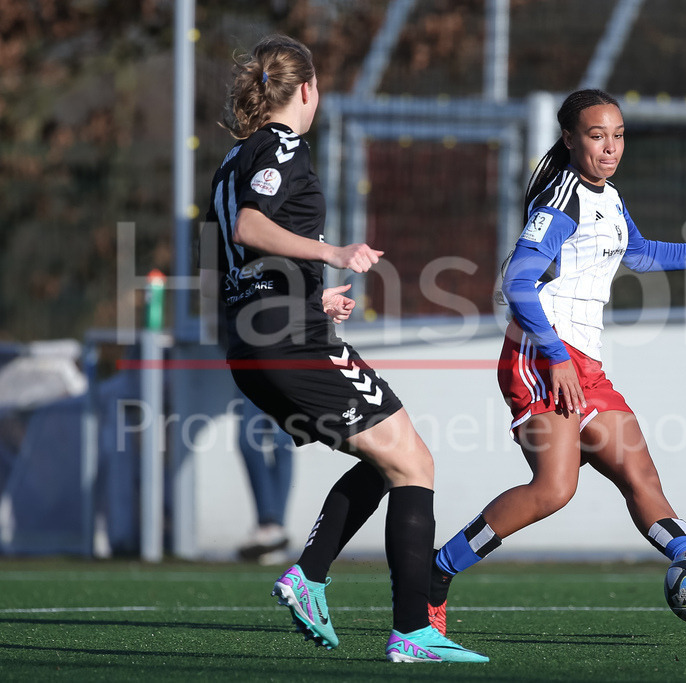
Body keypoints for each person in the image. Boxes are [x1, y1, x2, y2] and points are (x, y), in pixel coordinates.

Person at [426, 88, 686, 634]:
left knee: (641, 476)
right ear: (570, 139)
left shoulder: (607, 197)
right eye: (597, 136)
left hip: (584, 363)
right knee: (554, 489)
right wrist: (554, 356)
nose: (610, 147)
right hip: (541, 357)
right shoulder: (560, 201)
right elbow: (517, 281)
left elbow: (638, 252)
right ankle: (436, 572)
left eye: (618, 135)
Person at [202, 34, 486, 663]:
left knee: (394, 461)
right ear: (307, 90)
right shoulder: (279, 144)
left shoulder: (231, 159)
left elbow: (235, 259)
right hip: (286, 340)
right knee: (415, 464)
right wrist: (332, 254)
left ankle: (311, 574)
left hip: (255, 340)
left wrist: (311, 295)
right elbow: (252, 226)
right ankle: (411, 631)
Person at [234, 392, 293, 562]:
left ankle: (273, 528)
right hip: (250, 372)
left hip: (286, 373)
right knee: (247, 441)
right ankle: (270, 528)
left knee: (282, 442)